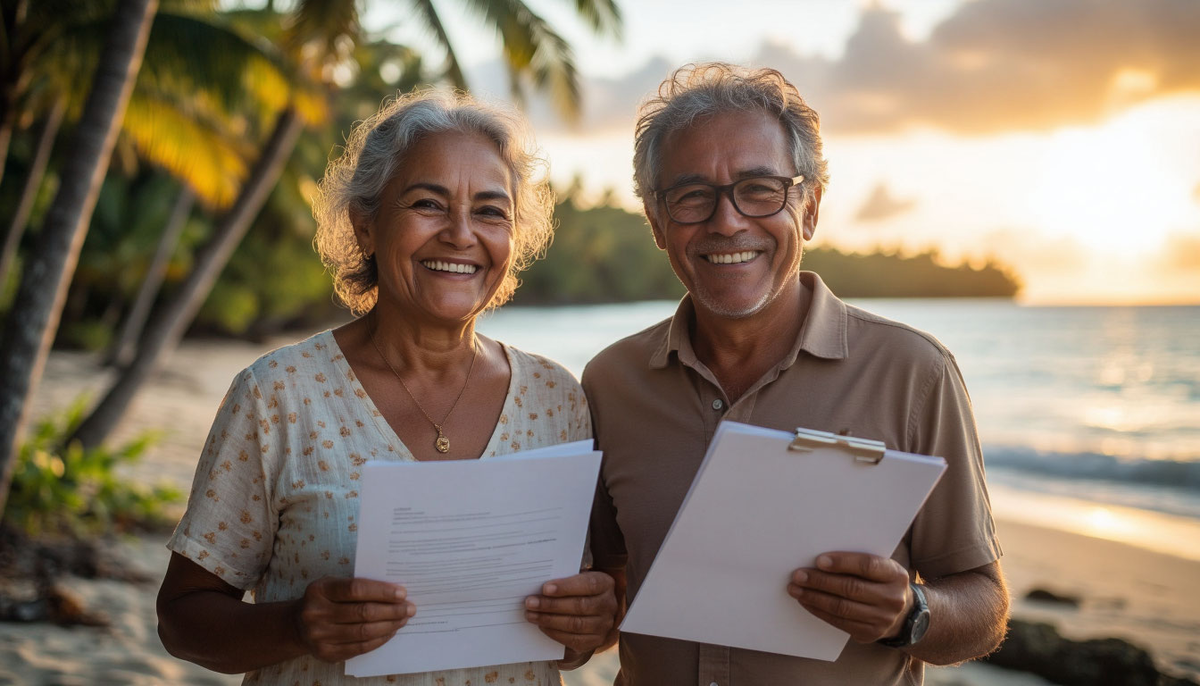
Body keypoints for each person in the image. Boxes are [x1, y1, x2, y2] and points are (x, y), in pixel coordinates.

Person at [156, 90, 616, 685]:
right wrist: (295, 626)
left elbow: (572, 630)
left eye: (490, 211)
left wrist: (592, 624)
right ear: (365, 225)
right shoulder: (279, 396)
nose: (459, 234)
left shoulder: (558, 400)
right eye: (428, 203)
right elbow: (181, 619)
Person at [583, 63, 1009, 685]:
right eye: (691, 195)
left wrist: (909, 613)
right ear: (656, 221)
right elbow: (605, 580)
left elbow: (985, 607)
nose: (726, 221)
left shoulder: (914, 373)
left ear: (809, 209)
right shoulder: (610, 382)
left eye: (760, 189)